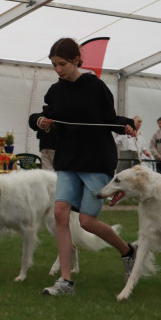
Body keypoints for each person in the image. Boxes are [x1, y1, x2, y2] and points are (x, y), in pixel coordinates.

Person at [28, 37, 138, 297]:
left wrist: (127, 124)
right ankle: (66, 282)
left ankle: (128, 251)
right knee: (60, 212)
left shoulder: (96, 87)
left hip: (96, 161)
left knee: (88, 221)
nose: (58, 70)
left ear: (77, 59)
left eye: (62, 64)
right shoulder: (55, 91)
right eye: (54, 65)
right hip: (67, 160)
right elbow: (40, 116)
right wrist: (41, 121)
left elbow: (109, 119)